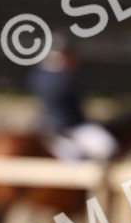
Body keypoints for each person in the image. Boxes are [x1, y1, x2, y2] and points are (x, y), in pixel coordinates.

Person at [28, 32, 119, 162]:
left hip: (45, 126)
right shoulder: (65, 78)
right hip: (68, 128)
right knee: (107, 147)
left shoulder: (38, 75)